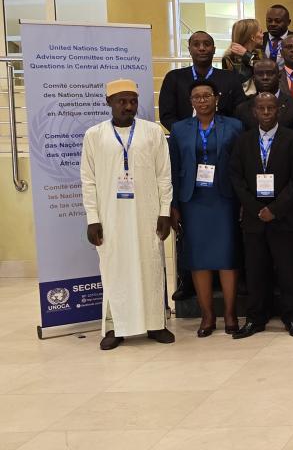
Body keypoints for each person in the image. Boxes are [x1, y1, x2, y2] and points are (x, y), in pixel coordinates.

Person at [82, 79, 174, 350]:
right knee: (114, 269)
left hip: (147, 214)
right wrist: (92, 218)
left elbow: (164, 175)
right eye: (122, 101)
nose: (128, 106)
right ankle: (115, 327)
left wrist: (164, 212)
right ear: (108, 102)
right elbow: (88, 180)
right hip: (110, 217)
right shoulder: (94, 135)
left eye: (133, 101)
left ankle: (155, 324)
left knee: (151, 265)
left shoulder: (152, 132)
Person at [229, 92, 293, 339]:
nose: (265, 113)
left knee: (288, 271)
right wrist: (256, 209)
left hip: (284, 217)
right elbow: (236, 179)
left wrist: (274, 209)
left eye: (270, 108)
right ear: (254, 112)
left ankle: (291, 318)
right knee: (255, 271)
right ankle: (255, 319)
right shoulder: (242, 141)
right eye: (261, 108)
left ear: (278, 110)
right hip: (254, 218)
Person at [169, 80, 243, 337]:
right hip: (193, 201)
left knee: (227, 257)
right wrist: (174, 204)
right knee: (198, 259)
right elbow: (173, 169)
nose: (202, 100)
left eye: (207, 95)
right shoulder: (179, 129)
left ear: (216, 98)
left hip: (225, 200)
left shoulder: (234, 126)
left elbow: (241, 165)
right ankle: (207, 315)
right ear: (191, 101)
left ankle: (230, 314)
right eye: (197, 97)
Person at [159, 31, 245, 131]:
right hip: (185, 137)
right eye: (196, 44)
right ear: (189, 50)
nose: (202, 48)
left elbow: (240, 113)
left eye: (207, 44)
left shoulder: (230, 78)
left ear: (214, 50)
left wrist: (224, 134)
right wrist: (186, 134)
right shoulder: (174, 78)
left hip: (224, 137)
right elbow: (167, 115)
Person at [233, 59, 293, 130]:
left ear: (279, 76)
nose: (265, 77)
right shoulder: (242, 109)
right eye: (260, 74)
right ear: (254, 79)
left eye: (270, 73)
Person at [221, 18, 265, 96]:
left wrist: (246, 55)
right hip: (241, 101)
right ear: (252, 37)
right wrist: (247, 55)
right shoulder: (229, 58)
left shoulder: (260, 53)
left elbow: (265, 69)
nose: (263, 35)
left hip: (262, 99)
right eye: (260, 32)